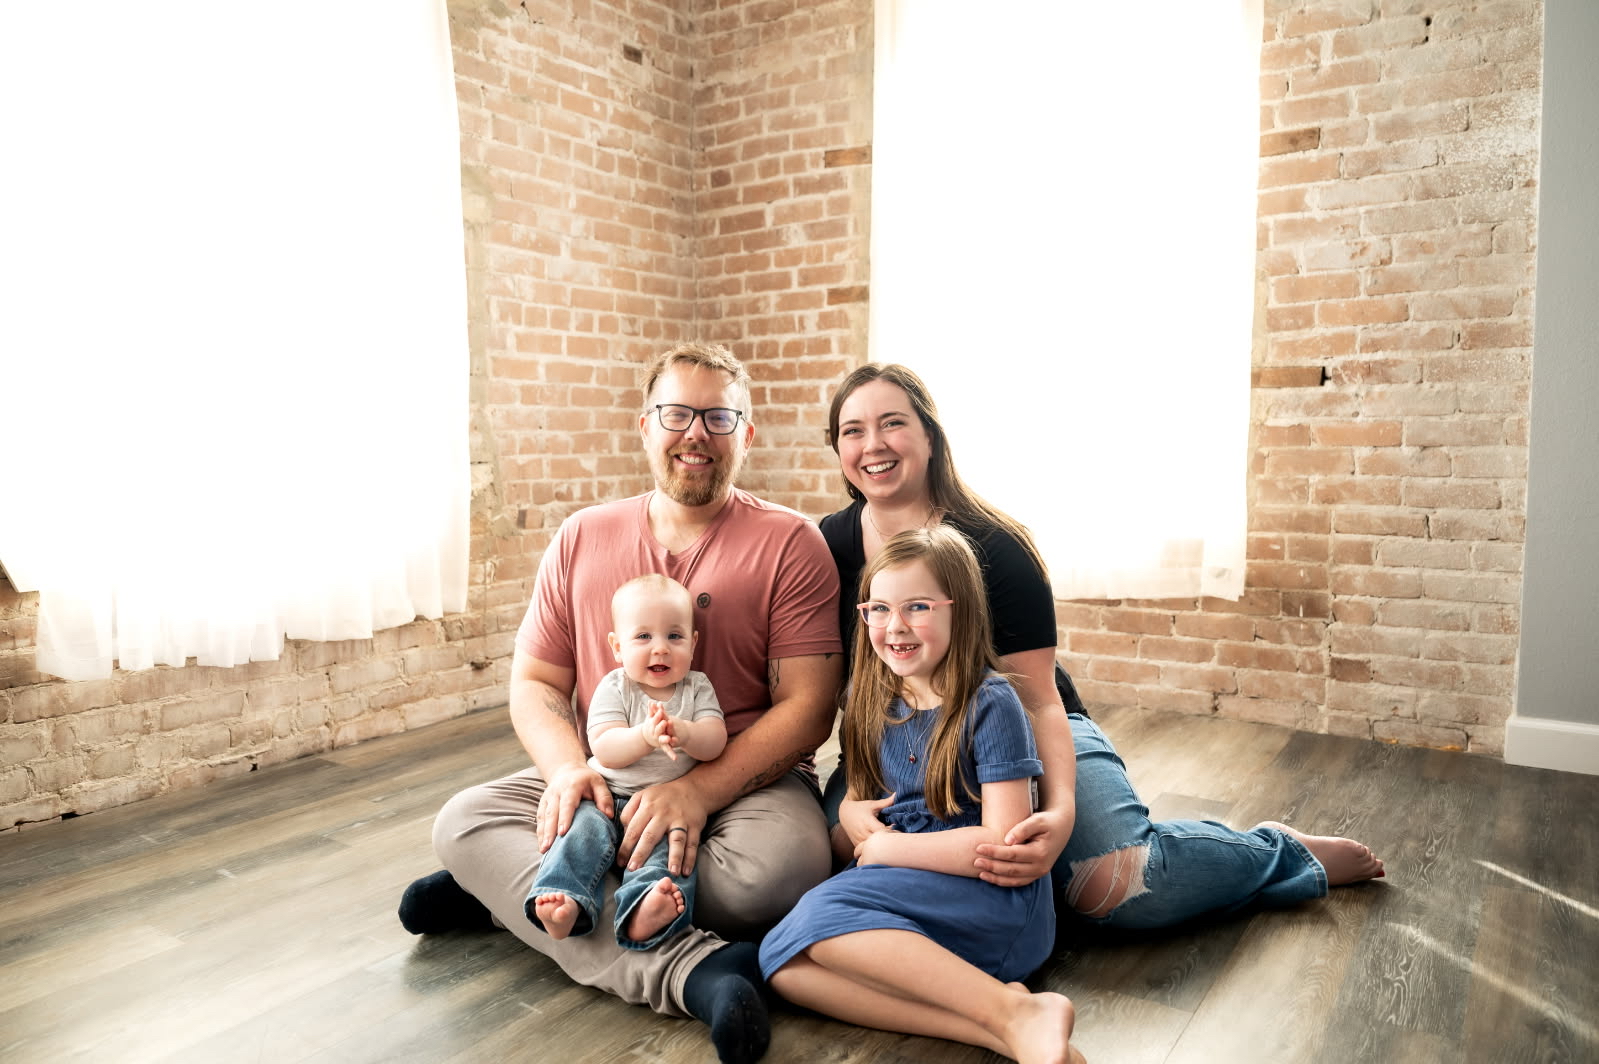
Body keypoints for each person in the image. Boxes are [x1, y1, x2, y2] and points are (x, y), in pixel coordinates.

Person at [819, 363, 1384, 933]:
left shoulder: (997, 546)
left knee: (1112, 886)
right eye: (853, 430)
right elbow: (842, 695)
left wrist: (1060, 812)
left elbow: (1040, 701)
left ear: (931, 438)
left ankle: (1275, 852)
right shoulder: (823, 549)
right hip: (895, 744)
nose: (874, 444)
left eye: (892, 423)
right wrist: (848, 804)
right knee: (824, 865)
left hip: (1022, 730)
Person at [398, 343, 843, 1064]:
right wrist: (567, 770)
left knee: (781, 872)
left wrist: (697, 792)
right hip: (608, 775)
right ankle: (694, 971)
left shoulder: (791, 542)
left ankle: (523, 893)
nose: (696, 433)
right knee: (462, 820)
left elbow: (807, 710)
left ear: (746, 435)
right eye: (676, 413)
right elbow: (538, 682)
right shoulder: (581, 535)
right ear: (644, 426)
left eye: (718, 416)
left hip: (741, 781)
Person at [761, 526, 1082, 1064]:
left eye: (917, 607)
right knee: (782, 964)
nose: (895, 626)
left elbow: (1002, 845)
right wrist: (848, 814)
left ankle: (1012, 1013)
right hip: (909, 900)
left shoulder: (991, 701)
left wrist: (889, 850)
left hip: (990, 902)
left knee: (815, 919)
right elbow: (858, 829)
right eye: (879, 609)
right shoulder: (869, 700)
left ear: (961, 611)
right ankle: (1006, 1022)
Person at [527, 574, 728, 950]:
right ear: (617, 647)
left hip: (666, 807)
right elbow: (603, 747)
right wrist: (645, 737)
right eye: (643, 637)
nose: (660, 649)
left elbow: (716, 740)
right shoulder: (616, 686)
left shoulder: (697, 687)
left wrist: (685, 732)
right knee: (578, 835)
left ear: (693, 643)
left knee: (671, 857)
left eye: (674, 636)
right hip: (607, 797)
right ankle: (564, 899)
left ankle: (644, 910)